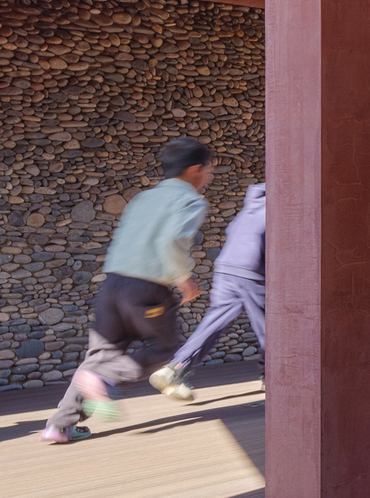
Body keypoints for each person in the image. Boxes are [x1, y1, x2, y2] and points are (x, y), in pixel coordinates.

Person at [43, 137, 213, 443]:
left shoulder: (143, 198)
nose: (209, 177)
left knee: (101, 354)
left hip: (112, 283)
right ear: (194, 170)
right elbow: (170, 241)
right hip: (147, 288)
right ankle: (103, 379)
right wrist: (184, 278)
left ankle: (60, 425)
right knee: (165, 348)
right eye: (208, 170)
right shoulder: (191, 201)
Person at [151, 181, 265, 402]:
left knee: (214, 322)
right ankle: (271, 377)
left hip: (226, 268)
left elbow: (233, 231)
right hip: (253, 271)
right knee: (270, 328)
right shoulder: (281, 205)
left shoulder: (252, 205)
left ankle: (174, 368)